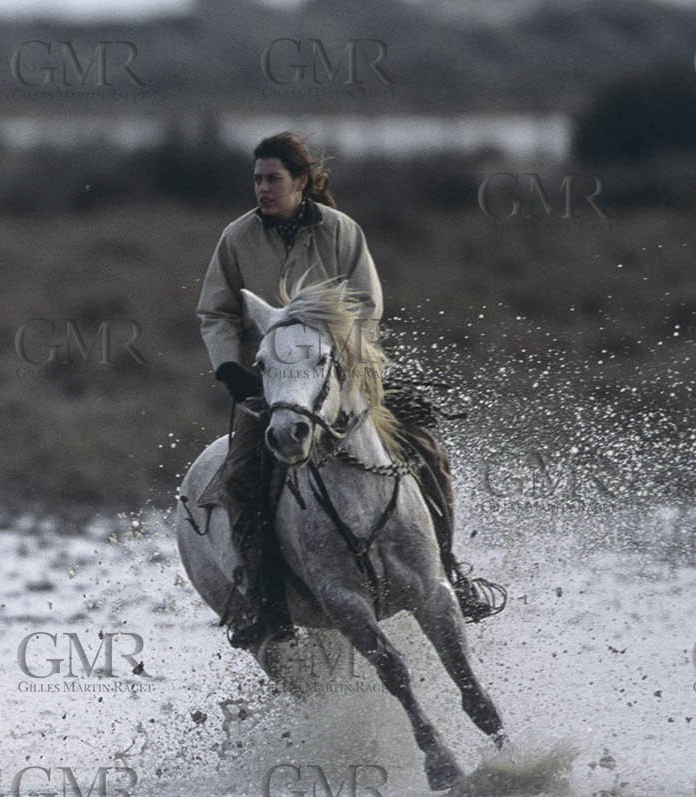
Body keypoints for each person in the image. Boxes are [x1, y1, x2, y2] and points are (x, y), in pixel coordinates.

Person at [196, 131, 501, 650]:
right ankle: (267, 603)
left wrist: (333, 356)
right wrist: (230, 368)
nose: (262, 189)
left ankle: (448, 567)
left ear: (301, 182)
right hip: (272, 387)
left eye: (272, 179)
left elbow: (367, 305)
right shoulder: (237, 238)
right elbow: (216, 312)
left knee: (426, 449)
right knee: (242, 479)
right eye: (257, 179)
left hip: (348, 376)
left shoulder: (341, 232)